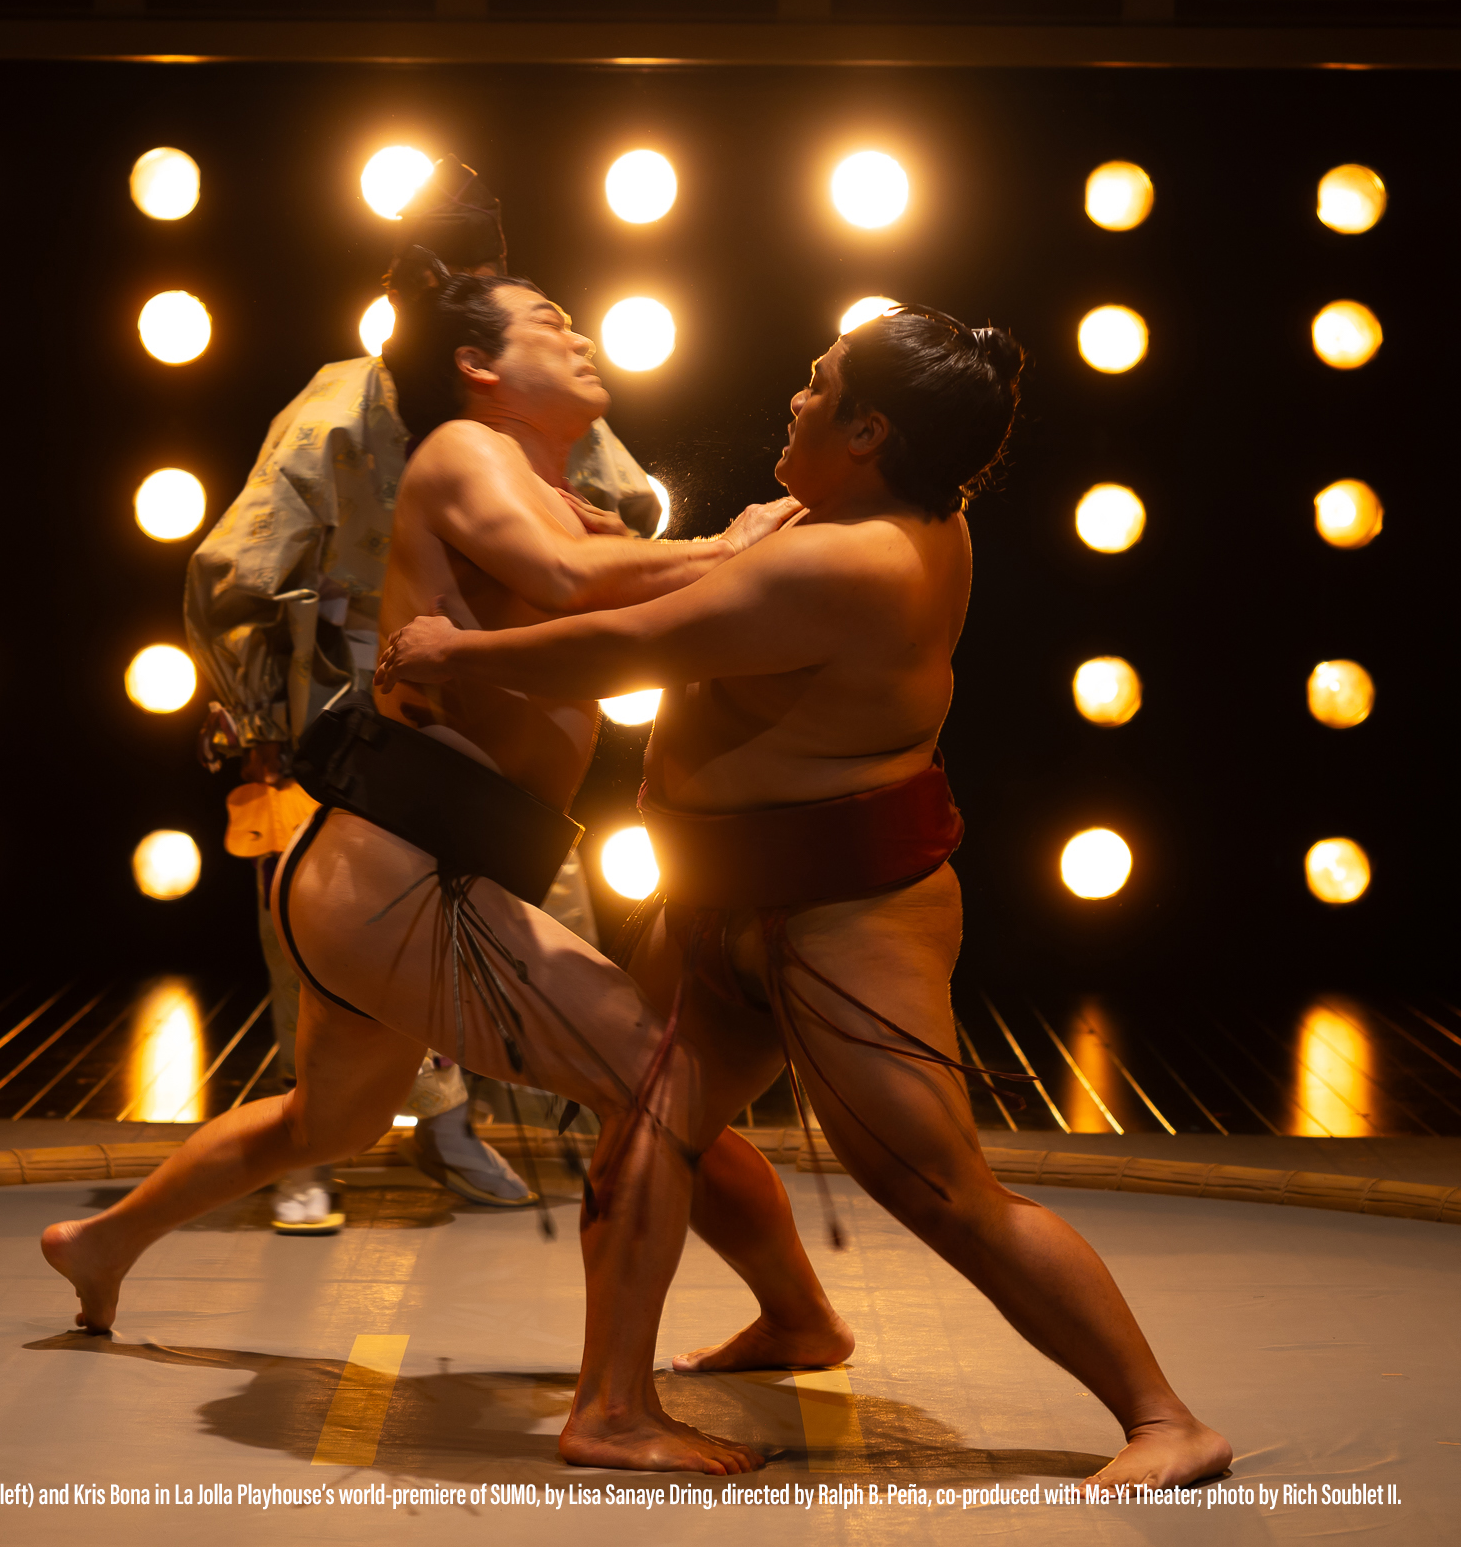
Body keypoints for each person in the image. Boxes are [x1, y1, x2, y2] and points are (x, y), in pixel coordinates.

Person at [377, 305, 1233, 1490]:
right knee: (649, 1134)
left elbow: (627, 648)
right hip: (719, 902)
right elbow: (701, 579)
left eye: (819, 385)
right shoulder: (841, 522)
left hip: (844, 917)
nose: (795, 398)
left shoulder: (851, 559)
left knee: (938, 1189)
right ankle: (732, 1350)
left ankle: (1165, 1418)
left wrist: (452, 653)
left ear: (870, 431)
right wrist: (630, 542)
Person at [46, 253, 840, 1475]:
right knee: (657, 1079)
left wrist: (734, 555)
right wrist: (736, 543)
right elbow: (575, 584)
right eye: (549, 323)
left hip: (394, 873)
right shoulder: (464, 452)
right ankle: (619, 1406)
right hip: (401, 874)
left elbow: (629, 589)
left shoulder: (565, 495)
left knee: (331, 1116)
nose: (579, 337)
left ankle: (100, 1242)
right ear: (478, 365)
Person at [186, 159, 655, 1231]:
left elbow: (620, 505)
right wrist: (258, 714)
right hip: (348, 697)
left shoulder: (524, 396)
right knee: (340, 939)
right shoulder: (337, 404)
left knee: (533, 916)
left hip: (495, 686)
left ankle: (488, 1126)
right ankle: (319, 1142)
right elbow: (237, 566)